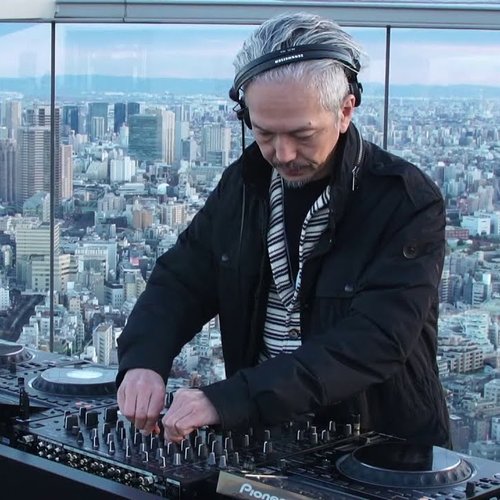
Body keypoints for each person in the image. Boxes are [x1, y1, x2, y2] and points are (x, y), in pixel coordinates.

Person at [116, 11, 450, 448]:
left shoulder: (404, 201)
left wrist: (232, 399)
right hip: (264, 442)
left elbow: (375, 340)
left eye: (301, 134)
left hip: (378, 451)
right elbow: (182, 279)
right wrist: (143, 359)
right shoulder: (244, 185)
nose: (282, 153)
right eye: (264, 133)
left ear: (345, 110)